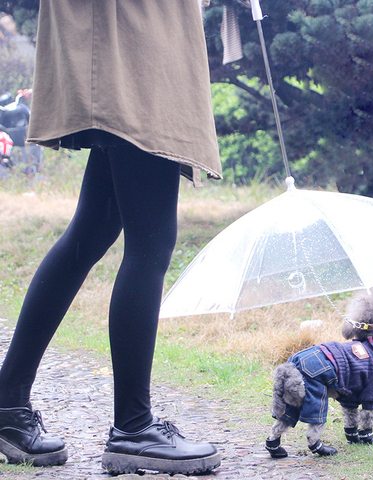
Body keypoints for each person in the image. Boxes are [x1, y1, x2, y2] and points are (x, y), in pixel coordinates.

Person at [0, 0, 222, 475]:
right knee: (152, 241)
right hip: (133, 35)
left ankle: (7, 406)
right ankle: (133, 429)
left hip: (127, 30)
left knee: (95, 228)